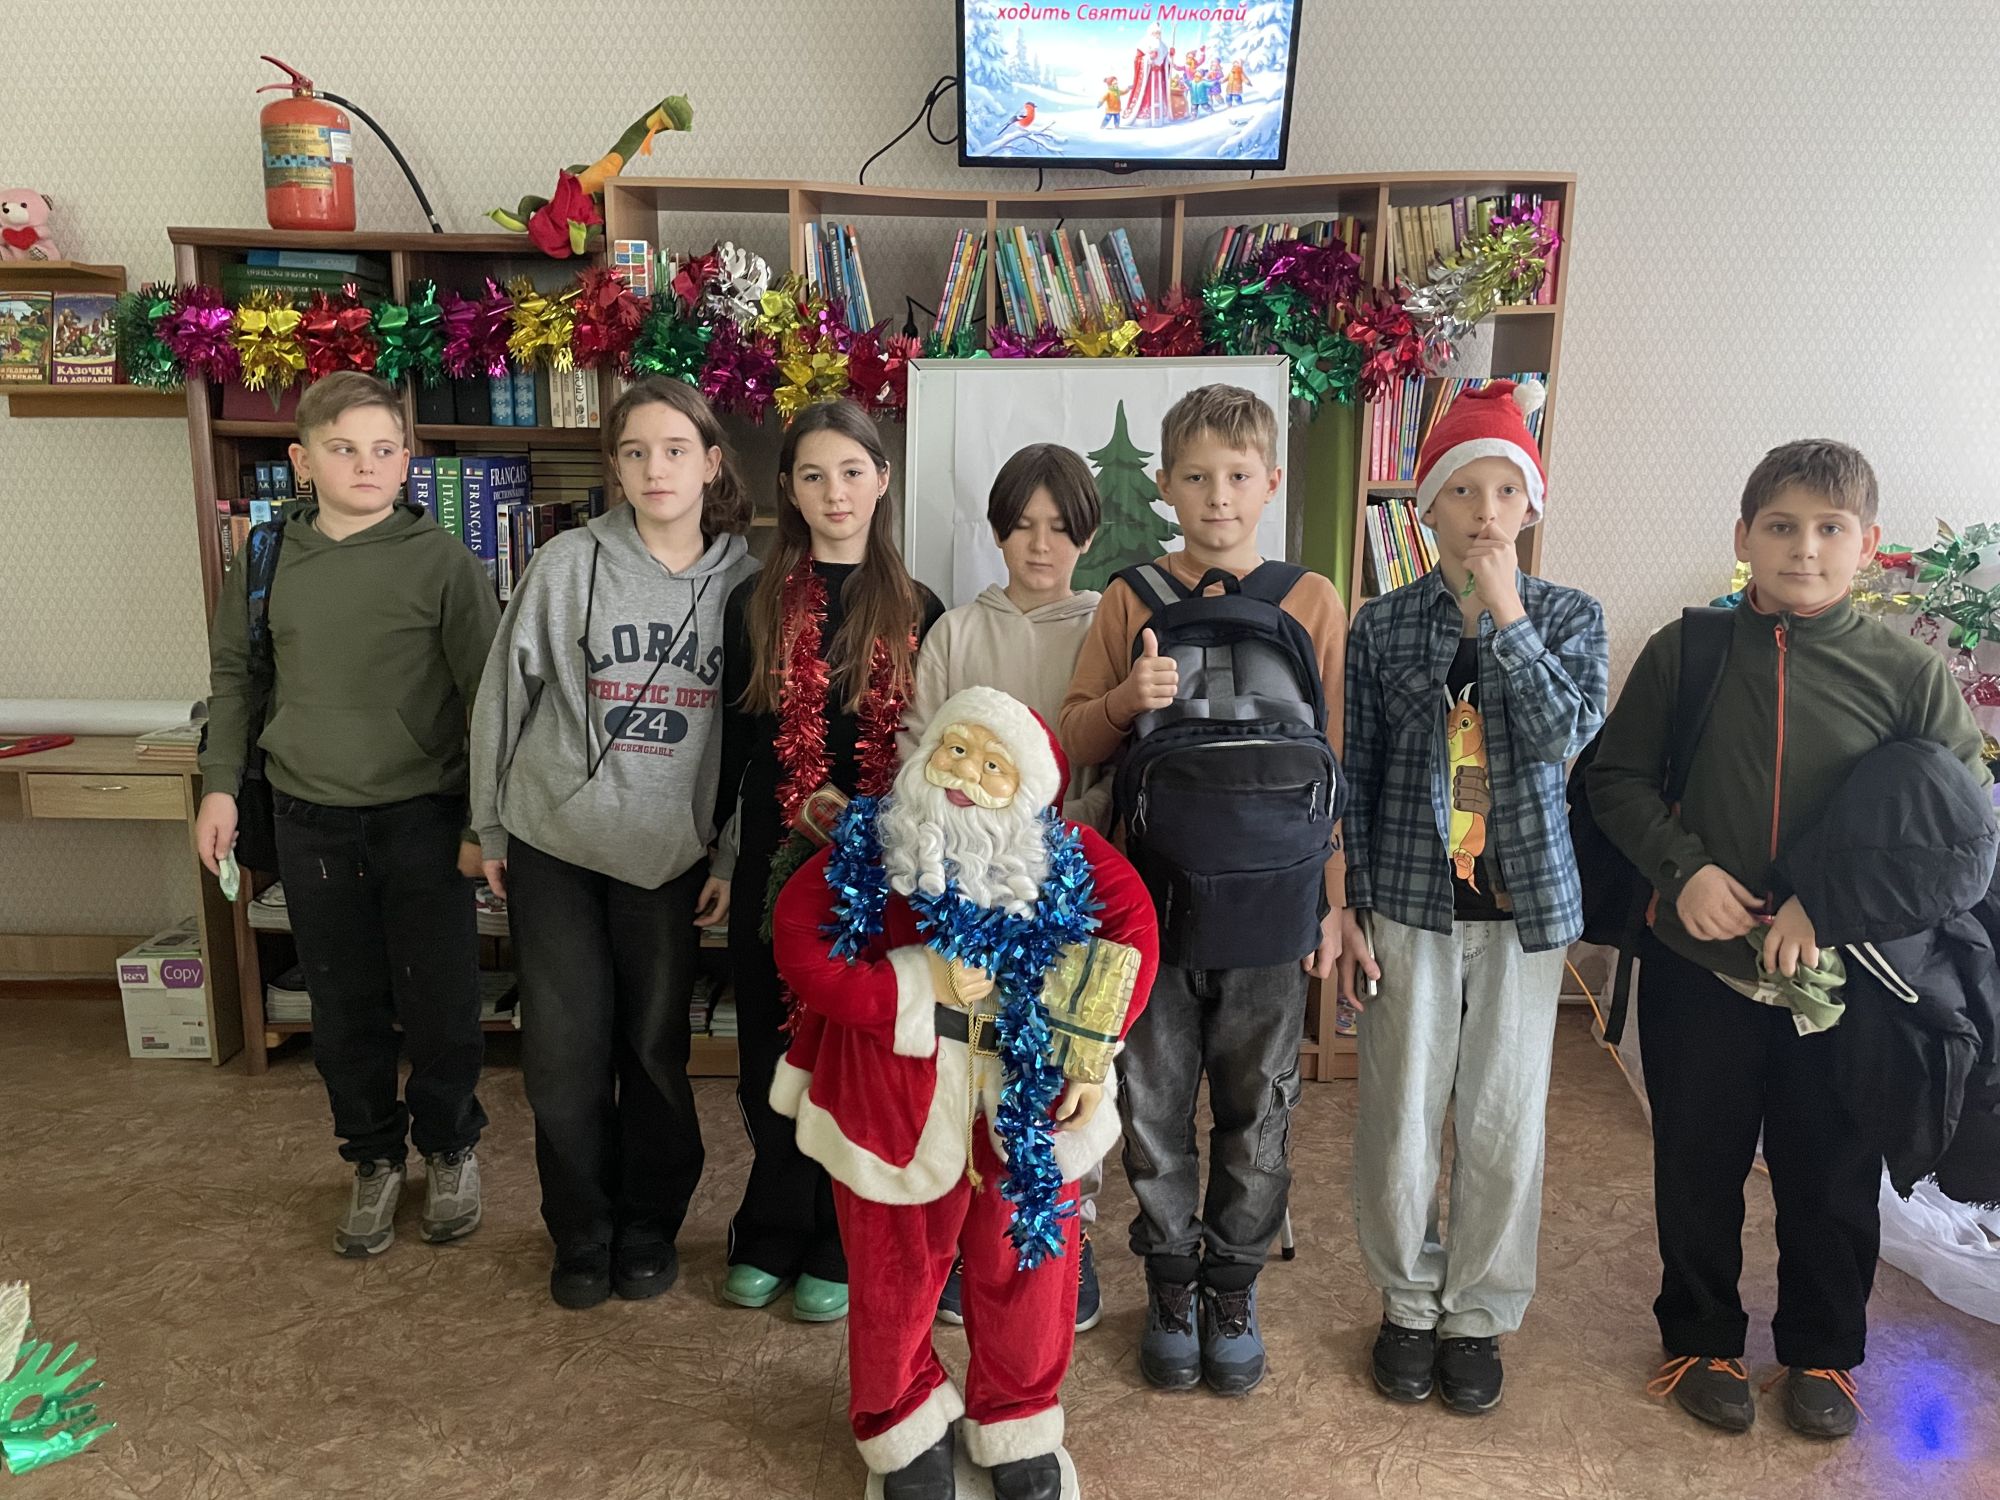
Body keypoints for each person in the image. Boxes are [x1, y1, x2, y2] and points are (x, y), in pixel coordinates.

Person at [1588, 439, 1990, 1439]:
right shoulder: (1685, 654)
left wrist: (1829, 907)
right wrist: (1683, 873)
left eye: (1827, 528)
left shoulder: (1908, 676)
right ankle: (1700, 1336)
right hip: (1699, 966)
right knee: (1697, 1161)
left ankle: (1823, 1352)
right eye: (1779, 526)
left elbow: (1953, 835)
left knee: (1831, 1173)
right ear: (1743, 537)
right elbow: (1615, 780)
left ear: (1867, 544)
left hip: (1844, 982)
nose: (1802, 548)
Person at [771, 687, 1159, 1500]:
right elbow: (801, 939)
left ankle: (1018, 1420)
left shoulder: (1069, 853)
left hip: (1026, 1095)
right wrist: (913, 984)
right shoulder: (871, 843)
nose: (966, 778)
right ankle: (902, 1422)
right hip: (894, 1098)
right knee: (893, 1273)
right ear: (927, 754)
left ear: (1027, 789)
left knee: (1029, 1271)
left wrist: (1090, 1054)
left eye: (993, 765)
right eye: (957, 750)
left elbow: (1135, 931)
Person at [1060, 383, 1347, 1396]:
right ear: (1166, 487)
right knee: (1151, 1102)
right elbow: (1073, 737)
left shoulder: (1312, 599)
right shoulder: (1128, 596)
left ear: (1271, 482)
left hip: (1275, 905)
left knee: (1258, 1106)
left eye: (1236, 475)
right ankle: (1169, 1281)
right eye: (1195, 476)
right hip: (1152, 906)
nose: (1216, 495)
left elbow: (1336, 763)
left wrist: (1332, 900)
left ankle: (1232, 1285)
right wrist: (1122, 700)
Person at [1336, 379, 1609, 1415]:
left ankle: (1478, 1313)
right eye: (1462, 490)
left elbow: (1560, 736)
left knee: (1501, 1120)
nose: (1484, 512)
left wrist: (1507, 617)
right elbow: (1358, 770)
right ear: (1427, 507)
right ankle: (1407, 1301)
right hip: (1411, 904)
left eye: (1505, 490)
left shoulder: (1569, 616)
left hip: (1524, 913)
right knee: (1399, 1117)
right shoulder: (1381, 624)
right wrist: (1356, 902)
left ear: (1529, 505)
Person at [194, 371, 499, 1257]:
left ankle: (450, 1148)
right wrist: (219, 784)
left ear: (407, 461)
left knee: (440, 1002)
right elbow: (235, 680)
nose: (366, 465)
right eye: (343, 449)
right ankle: (371, 1157)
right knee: (342, 1004)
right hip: (311, 818)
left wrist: (481, 826)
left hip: (422, 818)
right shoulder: (266, 558)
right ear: (302, 460)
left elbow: (489, 704)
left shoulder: (444, 563)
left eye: (383, 449)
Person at [470, 377, 758, 1308]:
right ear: (615, 468)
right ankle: (582, 1229)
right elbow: (502, 700)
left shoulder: (749, 585)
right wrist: (488, 825)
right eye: (635, 452)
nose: (654, 468)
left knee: (653, 1050)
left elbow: (756, 740)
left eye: (674, 450)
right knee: (562, 1055)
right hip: (554, 843)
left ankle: (648, 1225)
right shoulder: (565, 564)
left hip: (667, 858)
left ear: (711, 463)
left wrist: (727, 855)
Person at [716, 399, 944, 1323]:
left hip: (879, 872)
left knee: (855, 1056)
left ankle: (839, 1240)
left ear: (882, 480)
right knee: (770, 1051)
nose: (834, 492)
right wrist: (723, 863)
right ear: (789, 490)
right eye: (812, 475)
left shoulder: (920, 608)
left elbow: (928, 757)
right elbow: (737, 748)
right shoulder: (754, 604)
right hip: (777, 861)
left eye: (852, 471)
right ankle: (771, 1225)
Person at [904, 442, 1110, 1332]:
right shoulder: (956, 632)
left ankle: (1072, 1234)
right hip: (968, 890)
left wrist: (1064, 842)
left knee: (1064, 1063)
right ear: (997, 533)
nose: (1040, 545)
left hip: (1067, 882)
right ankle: (968, 1238)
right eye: (1023, 526)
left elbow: (1112, 754)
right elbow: (920, 747)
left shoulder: (1106, 626)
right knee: (971, 1061)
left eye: (1060, 528)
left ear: (1086, 535)